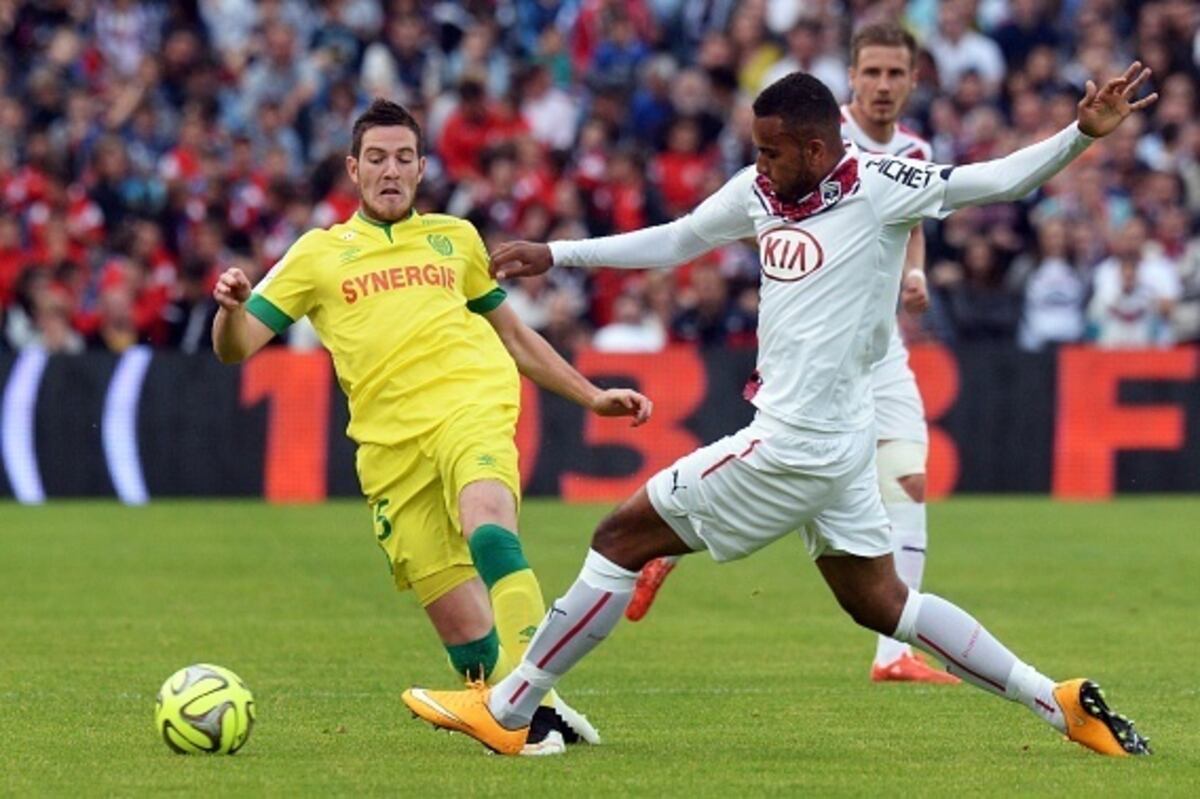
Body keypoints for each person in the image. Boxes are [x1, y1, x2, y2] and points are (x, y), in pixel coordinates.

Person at [401, 66, 1157, 757]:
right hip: (839, 447)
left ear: (820, 145)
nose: (760, 164)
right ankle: (1057, 703)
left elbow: (994, 182)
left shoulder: (883, 187)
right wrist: (560, 254)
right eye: (756, 150)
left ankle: (509, 706)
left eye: (772, 151)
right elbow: (680, 239)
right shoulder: (762, 192)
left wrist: (1079, 135)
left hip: (797, 443)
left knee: (618, 536)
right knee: (883, 603)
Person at [211, 98, 653, 756]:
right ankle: (542, 710)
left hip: (469, 405)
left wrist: (590, 396)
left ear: (421, 169)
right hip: (391, 451)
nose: (391, 170)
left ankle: (522, 705)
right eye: (378, 159)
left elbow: (513, 336)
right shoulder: (318, 255)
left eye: (404, 158)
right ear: (353, 169)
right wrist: (231, 308)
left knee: (488, 520)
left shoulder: (456, 238)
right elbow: (237, 347)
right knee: (468, 640)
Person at [625, 24, 959, 686]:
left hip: (879, 341)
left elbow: (906, 228)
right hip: (819, 336)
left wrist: (913, 274)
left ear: (914, 81)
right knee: (792, 454)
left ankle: (893, 656)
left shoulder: (916, 150)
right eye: (873, 73)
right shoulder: (809, 136)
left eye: (897, 74)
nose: (885, 86)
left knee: (907, 477)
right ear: (852, 79)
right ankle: (671, 538)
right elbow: (755, 210)